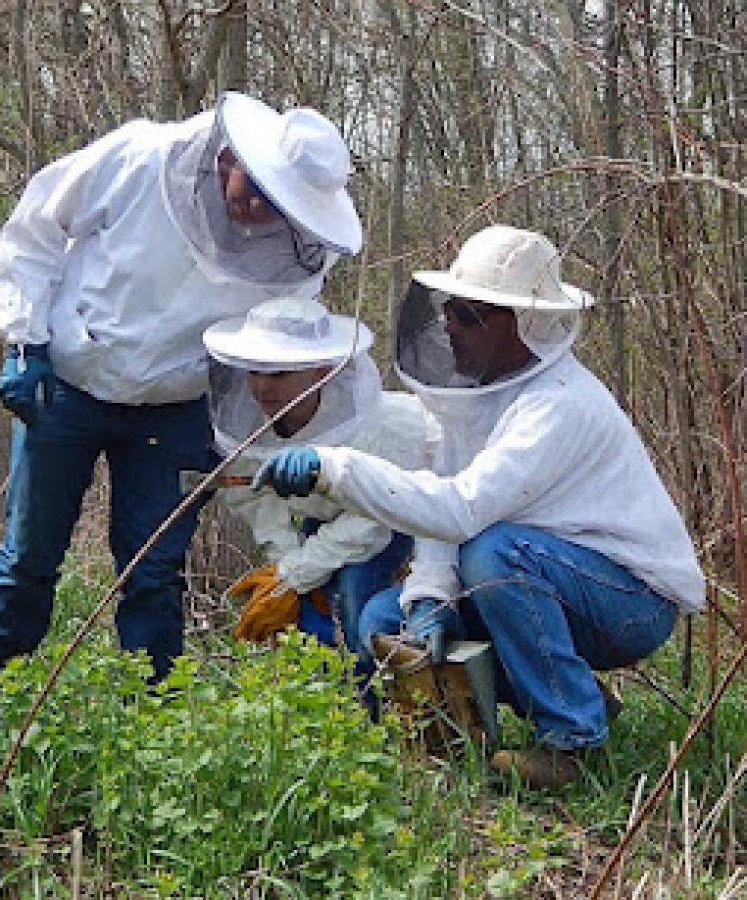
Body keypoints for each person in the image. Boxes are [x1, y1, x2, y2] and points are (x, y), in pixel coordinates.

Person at [251, 224, 705, 787]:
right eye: (449, 309)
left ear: (523, 324)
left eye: (468, 315)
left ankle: (571, 742)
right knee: (385, 619)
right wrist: (430, 596)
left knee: (494, 554)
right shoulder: (476, 401)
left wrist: (336, 470)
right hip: (551, 580)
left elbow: (459, 511)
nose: (449, 325)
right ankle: (544, 708)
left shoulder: (558, 405)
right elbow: (443, 513)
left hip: (632, 603)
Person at [0, 92, 363, 683]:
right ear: (229, 157)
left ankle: (152, 708)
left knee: (153, 571)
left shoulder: (300, 253)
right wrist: (26, 343)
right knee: (30, 555)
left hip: (178, 409)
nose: (258, 208)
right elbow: (36, 227)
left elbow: (273, 348)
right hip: (67, 385)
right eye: (256, 188)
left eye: (279, 203)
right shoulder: (139, 157)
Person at [201, 295, 433, 679]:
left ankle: (372, 698)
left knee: (356, 595)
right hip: (331, 519)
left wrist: (295, 572)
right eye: (254, 372)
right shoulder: (246, 425)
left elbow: (372, 522)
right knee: (310, 603)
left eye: (279, 374)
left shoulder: (386, 425)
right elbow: (255, 499)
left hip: (406, 520)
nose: (262, 387)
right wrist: (286, 573)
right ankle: (323, 696)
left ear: (322, 371)